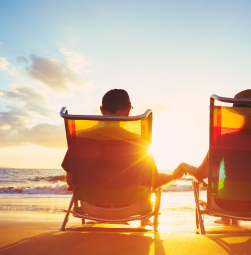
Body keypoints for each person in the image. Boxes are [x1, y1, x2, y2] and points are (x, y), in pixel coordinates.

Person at [62, 89, 185, 226]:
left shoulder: (81, 140)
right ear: (128, 110)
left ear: (102, 109)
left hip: (90, 208)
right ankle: (143, 220)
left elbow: (70, 181)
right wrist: (174, 175)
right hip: (133, 208)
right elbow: (154, 181)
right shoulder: (139, 143)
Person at [179, 89, 251, 225]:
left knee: (229, 190)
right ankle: (231, 217)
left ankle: (227, 217)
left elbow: (201, 174)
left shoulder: (225, 139)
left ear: (238, 115)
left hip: (226, 205)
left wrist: (183, 166)